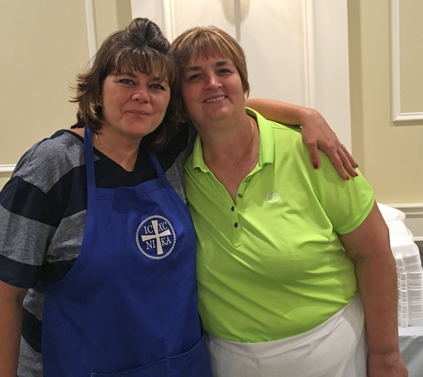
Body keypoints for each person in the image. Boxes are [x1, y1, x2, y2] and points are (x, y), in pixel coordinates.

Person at [0, 18, 356, 377]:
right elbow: (3, 297)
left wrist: (305, 115)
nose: (142, 96)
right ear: (96, 89)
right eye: (127, 80)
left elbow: (225, 106)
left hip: (178, 365)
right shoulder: (52, 168)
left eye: (157, 86)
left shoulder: (168, 150)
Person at [172, 26, 408, 377]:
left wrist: (386, 354)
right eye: (195, 76)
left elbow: (372, 253)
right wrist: (304, 111)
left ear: (242, 80)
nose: (213, 82)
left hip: (329, 352)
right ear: (180, 98)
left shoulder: (311, 151)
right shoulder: (177, 162)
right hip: (226, 358)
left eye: (224, 70)